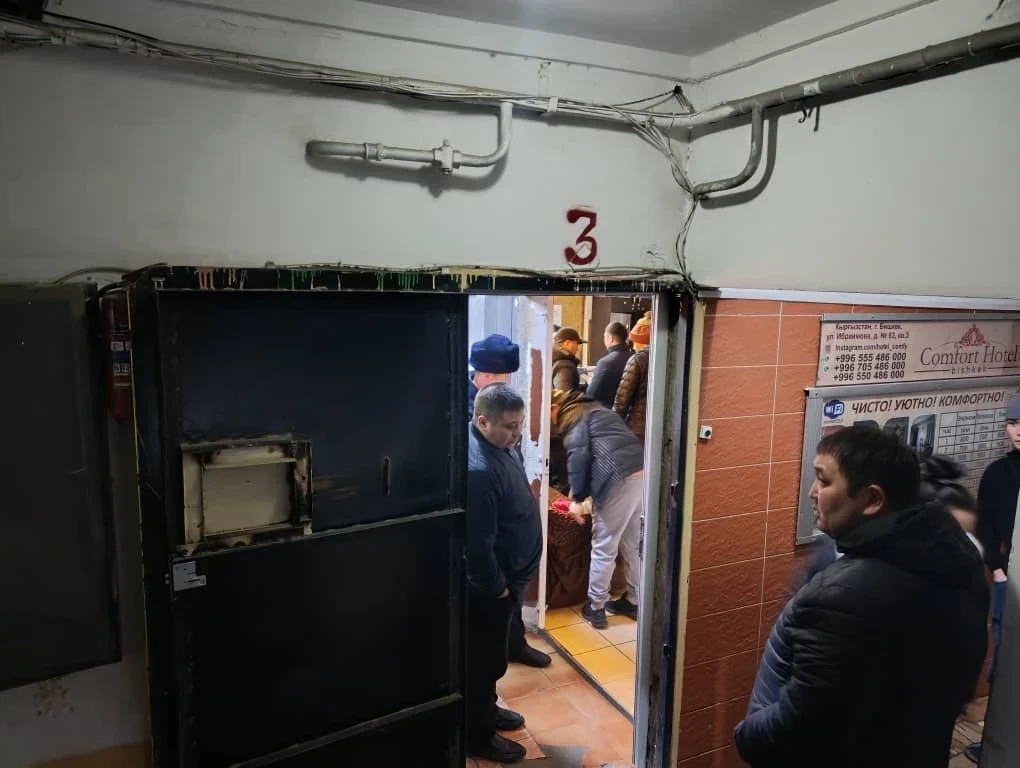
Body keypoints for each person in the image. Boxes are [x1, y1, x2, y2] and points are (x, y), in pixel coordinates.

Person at [734, 425, 989, 768]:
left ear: (872, 500)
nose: (812, 492)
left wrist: (748, 735)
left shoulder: (842, 597)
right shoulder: (960, 558)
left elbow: (795, 727)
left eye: (824, 481)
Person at [465, 384, 545, 763]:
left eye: (521, 424)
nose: (518, 434)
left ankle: (488, 711)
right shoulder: (479, 471)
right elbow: (476, 545)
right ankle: (478, 736)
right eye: (511, 427)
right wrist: (496, 588)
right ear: (483, 422)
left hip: (509, 577)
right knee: (484, 664)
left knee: (492, 659)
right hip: (492, 588)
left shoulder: (500, 446)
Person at [550, 388, 644, 630]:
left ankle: (596, 606)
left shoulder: (573, 418)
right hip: (640, 473)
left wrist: (577, 499)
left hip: (616, 479)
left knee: (604, 545)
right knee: (632, 544)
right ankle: (634, 601)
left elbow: (578, 457)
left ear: (554, 407)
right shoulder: (595, 409)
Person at [965, 394, 1020, 763]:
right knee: (1005, 663)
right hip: (1009, 581)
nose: (1018, 431)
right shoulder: (1000, 473)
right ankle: (998, 743)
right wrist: (999, 570)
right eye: (1013, 423)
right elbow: (985, 524)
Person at [613, 311, 651, 443]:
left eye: (636, 341)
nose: (633, 346)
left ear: (643, 340)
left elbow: (622, 400)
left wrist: (612, 425)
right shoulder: (667, 356)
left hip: (636, 428)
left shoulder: (637, 359)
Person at [467, 334, 519, 419]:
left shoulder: (489, 398)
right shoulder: (466, 409)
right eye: (506, 376)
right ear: (487, 376)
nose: (508, 382)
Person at [587, 322, 631, 409]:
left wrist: (590, 380)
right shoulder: (634, 358)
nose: (604, 340)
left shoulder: (605, 363)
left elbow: (591, 394)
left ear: (610, 339)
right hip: (629, 410)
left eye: (604, 336)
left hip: (608, 411)